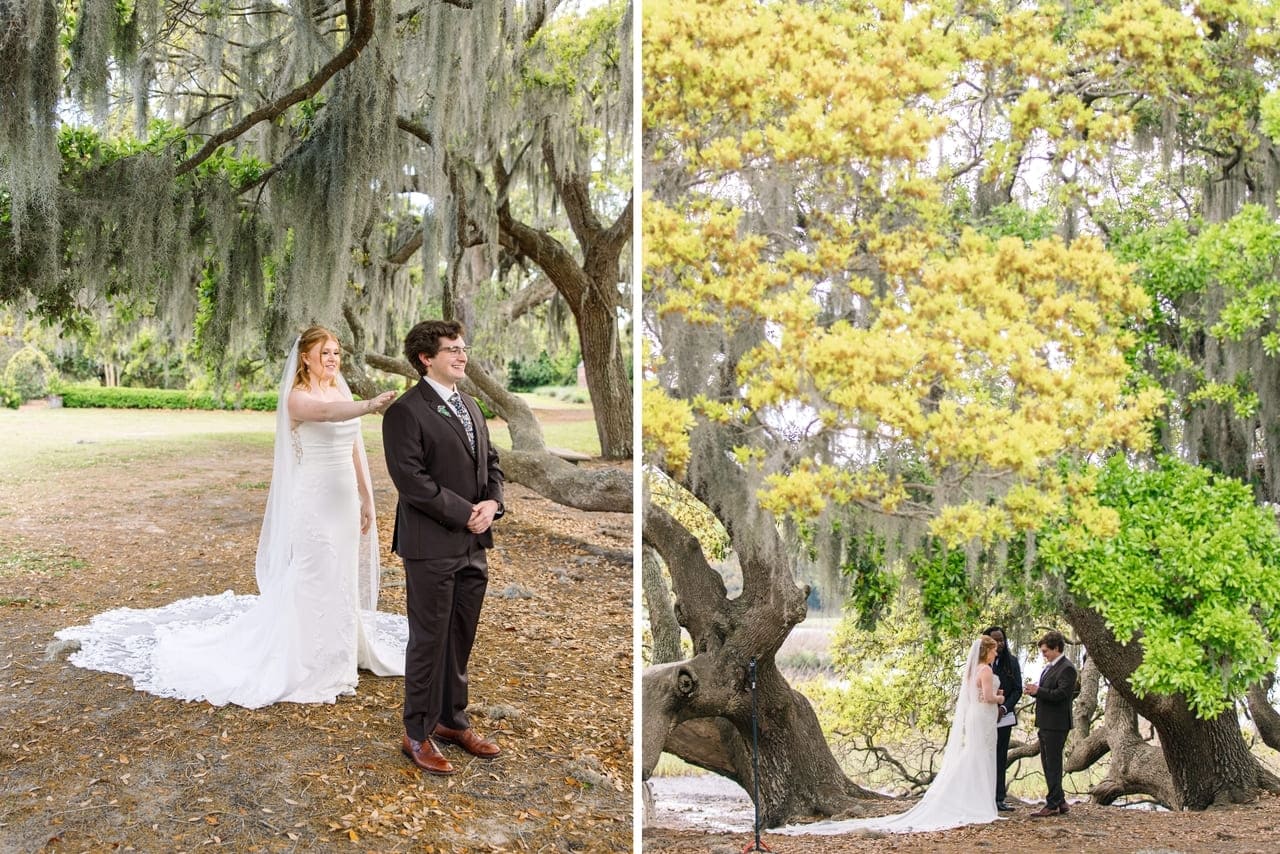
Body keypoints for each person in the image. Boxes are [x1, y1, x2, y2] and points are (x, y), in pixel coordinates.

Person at [56, 326, 405, 707]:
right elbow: (326, 414)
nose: (333, 359)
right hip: (314, 502)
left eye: (337, 352)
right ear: (305, 357)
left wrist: (367, 498)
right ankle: (310, 658)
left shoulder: (340, 388)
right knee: (315, 575)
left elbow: (354, 445)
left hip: (343, 503)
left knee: (341, 575)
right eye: (326, 352)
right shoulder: (297, 398)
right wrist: (369, 406)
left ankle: (342, 649)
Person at [382, 319, 505, 776]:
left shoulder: (471, 405)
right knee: (429, 639)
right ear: (425, 358)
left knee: (460, 636)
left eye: (463, 347)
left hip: (474, 544)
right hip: (430, 545)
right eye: (451, 349)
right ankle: (416, 731)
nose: (462, 355)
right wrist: (464, 511)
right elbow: (412, 481)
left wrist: (493, 503)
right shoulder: (405, 412)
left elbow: (491, 463)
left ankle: (452, 720)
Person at [778, 635, 1003, 835]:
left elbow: (978, 696)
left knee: (975, 755)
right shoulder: (985, 670)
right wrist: (1000, 698)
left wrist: (991, 697)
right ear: (987, 651)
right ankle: (979, 801)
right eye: (994, 650)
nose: (996, 653)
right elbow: (987, 697)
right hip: (982, 717)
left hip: (977, 716)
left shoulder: (974, 670)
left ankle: (971, 797)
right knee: (979, 756)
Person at [1024, 629, 1077, 818]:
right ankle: (1060, 800)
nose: (1043, 655)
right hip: (1046, 722)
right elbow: (1047, 690)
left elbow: (1061, 695)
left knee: (1053, 764)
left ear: (1056, 648)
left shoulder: (1067, 668)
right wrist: (1034, 690)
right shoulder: (1050, 667)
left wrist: (1038, 691)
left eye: (1046, 651)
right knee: (1047, 762)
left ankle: (1052, 803)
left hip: (1057, 723)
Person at [983, 625, 1023, 811]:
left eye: (1002, 640)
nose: (1000, 643)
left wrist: (1005, 707)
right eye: (996, 640)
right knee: (983, 756)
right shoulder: (980, 664)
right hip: (983, 717)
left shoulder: (1012, 662)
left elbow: (1017, 689)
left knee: (1000, 756)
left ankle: (999, 798)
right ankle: (982, 795)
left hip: (1003, 717)